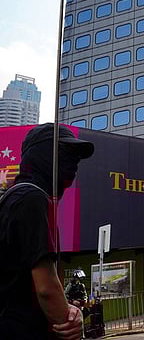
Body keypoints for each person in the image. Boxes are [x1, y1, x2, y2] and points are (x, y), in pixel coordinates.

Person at [0, 123, 94, 340]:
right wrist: (70, 325)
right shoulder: (32, 199)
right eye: (67, 154)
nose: (74, 165)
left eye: (77, 159)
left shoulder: (13, 199)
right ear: (43, 155)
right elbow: (46, 287)